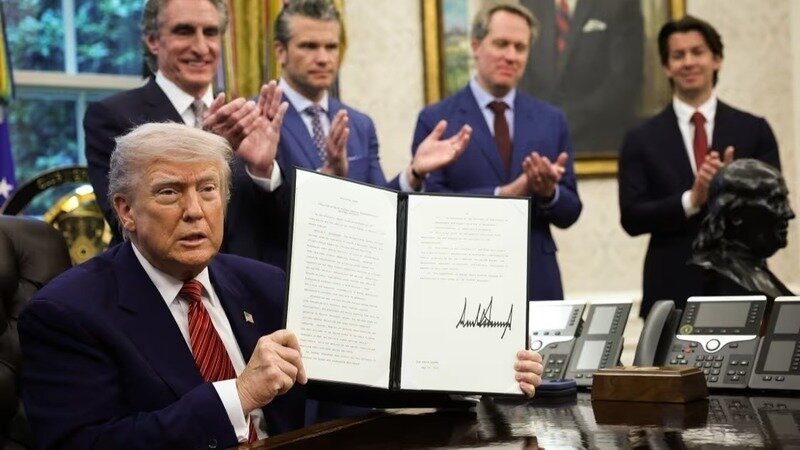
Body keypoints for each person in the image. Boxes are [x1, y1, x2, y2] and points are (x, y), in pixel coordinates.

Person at [19, 123, 546, 449]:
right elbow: (83, 445)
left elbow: (364, 378)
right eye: (169, 192)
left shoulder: (264, 285)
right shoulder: (68, 312)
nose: (194, 210)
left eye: (208, 189)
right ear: (126, 211)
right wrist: (239, 395)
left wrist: (484, 371)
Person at [84, 0, 290, 268]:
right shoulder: (113, 115)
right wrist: (203, 149)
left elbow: (282, 235)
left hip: (241, 285)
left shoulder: (245, 117)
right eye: (184, 31)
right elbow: (123, 221)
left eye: (211, 32)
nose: (201, 47)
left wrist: (263, 171)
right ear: (153, 41)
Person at [412, 0, 582, 301]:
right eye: (501, 44)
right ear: (476, 45)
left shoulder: (551, 120)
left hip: (537, 281)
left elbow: (570, 211)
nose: (511, 56)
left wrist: (548, 193)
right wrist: (502, 195)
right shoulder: (437, 120)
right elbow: (430, 208)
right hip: (466, 282)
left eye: (520, 47)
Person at [618, 15, 781, 318]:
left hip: (743, 289)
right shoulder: (640, 139)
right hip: (671, 292)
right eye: (678, 55)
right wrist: (691, 200)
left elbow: (774, 212)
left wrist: (731, 190)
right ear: (667, 66)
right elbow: (632, 217)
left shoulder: (753, 130)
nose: (688, 62)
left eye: (697, 52)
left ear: (716, 59)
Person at [271, 0, 471, 190]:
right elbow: (259, 204)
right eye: (309, 46)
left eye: (331, 47)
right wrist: (326, 176)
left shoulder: (360, 125)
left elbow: (379, 202)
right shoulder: (259, 121)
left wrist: (414, 173)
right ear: (280, 52)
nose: (323, 58)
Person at [520, 0, 643, 155]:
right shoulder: (530, 4)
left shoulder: (620, 4)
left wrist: (563, 122)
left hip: (598, 146)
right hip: (539, 145)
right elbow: (523, 75)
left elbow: (624, 81)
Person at [689, 159, 794, 298]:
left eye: (785, 201)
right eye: (775, 202)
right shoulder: (717, 277)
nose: (789, 213)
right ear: (735, 214)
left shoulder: (757, 272)